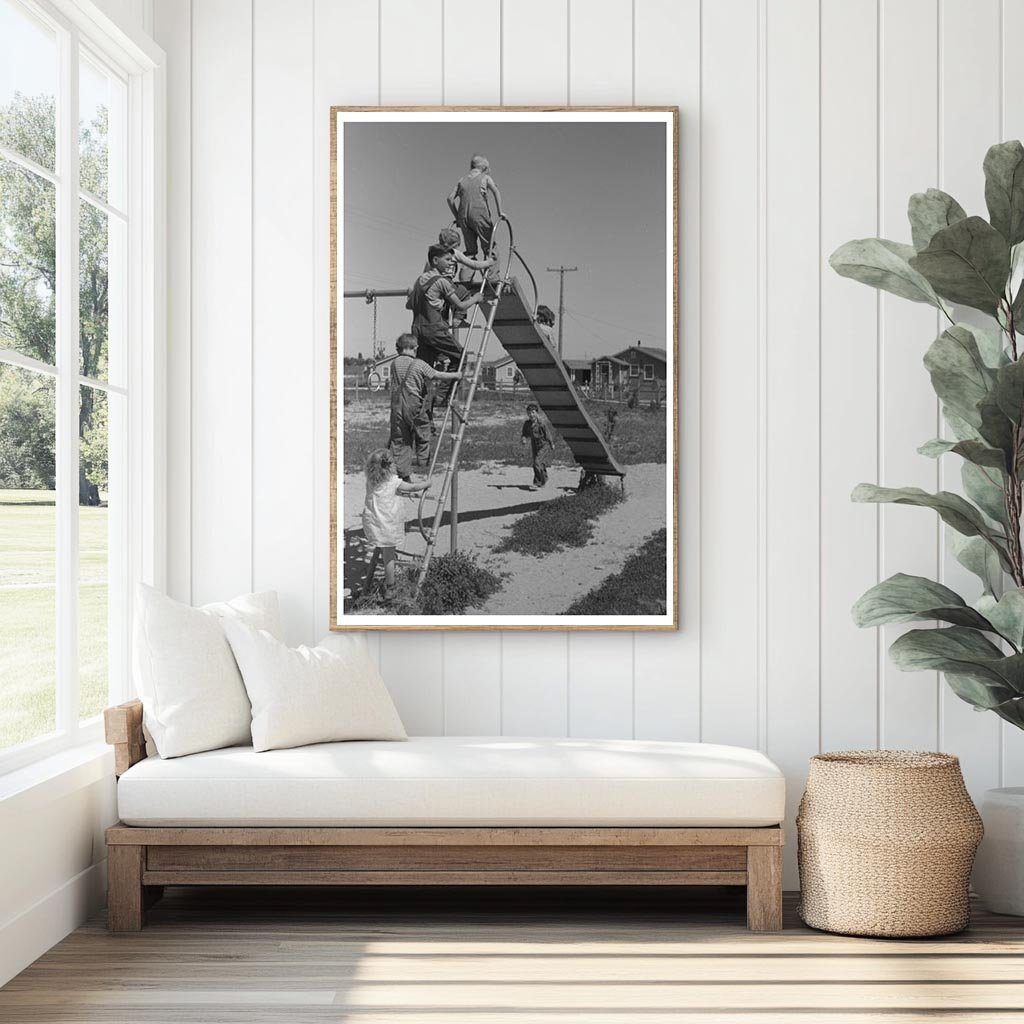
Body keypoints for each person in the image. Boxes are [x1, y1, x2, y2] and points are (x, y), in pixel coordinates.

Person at [407, 244, 489, 419]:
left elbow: (409, 304)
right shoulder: (442, 281)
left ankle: (423, 415)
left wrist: (432, 300)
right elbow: (460, 304)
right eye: (447, 260)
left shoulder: (420, 280)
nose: (450, 263)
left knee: (424, 371)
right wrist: (476, 298)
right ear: (435, 261)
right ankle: (443, 395)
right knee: (461, 357)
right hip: (434, 329)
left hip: (417, 330)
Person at [388, 333, 465, 481]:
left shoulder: (394, 363)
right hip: (413, 403)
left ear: (399, 348)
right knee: (423, 431)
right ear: (414, 348)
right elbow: (436, 375)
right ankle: (422, 462)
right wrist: (456, 375)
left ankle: (404, 475)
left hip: (396, 405)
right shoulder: (419, 364)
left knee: (401, 439)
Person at [359, 448, 430, 601]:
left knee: (385, 550)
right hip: (387, 524)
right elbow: (412, 487)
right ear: (390, 466)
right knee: (389, 557)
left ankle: (388, 582)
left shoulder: (370, 481)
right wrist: (426, 483)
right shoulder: (393, 482)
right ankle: (390, 586)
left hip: (374, 522)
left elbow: (384, 494)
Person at [447, 154, 505, 264]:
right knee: (490, 247)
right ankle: (492, 278)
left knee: (470, 251)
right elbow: (496, 191)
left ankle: (466, 278)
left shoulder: (462, 180)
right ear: (484, 168)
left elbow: (450, 198)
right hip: (480, 215)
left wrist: (457, 217)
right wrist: (500, 211)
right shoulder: (485, 178)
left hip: (464, 217)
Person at [520, 402, 554, 491]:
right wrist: (523, 439)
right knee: (539, 464)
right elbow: (524, 434)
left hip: (544, 444)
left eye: (533, 412)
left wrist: (551, 444)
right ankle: (544, 478)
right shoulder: (527, 424)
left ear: (537, 413)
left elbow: (548, 434)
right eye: (529, 413)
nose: (531, 415)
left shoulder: (541, 423)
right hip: (534, 444)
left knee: (537, 462)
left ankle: (537, 482)